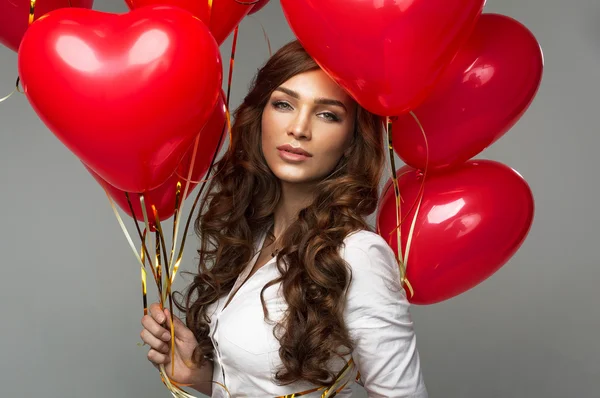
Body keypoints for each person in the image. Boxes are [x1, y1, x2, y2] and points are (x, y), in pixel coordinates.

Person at [139, 40, 429, 398]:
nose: (299, 128)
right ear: (260, 115)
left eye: (327, 114)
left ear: (351, 139)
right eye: (283, 104)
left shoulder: (358, 254)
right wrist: (202, 375)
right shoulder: (257, 235)